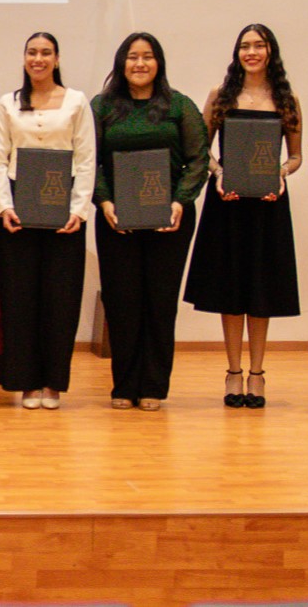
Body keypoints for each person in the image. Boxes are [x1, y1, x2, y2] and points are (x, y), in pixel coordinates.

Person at [183, 23, 303, 410]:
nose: (251, 52)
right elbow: (203, 151)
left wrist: (281, 174)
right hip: (228, 201)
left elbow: (297, 156)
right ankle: (233, 371)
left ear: (271, 52)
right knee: (231, 291)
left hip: (269, 202)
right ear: (237, 53)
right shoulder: (221, 96)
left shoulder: (287, 99)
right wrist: (218, 174)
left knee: (261, 291)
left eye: (259, 45)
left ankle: (257, 373)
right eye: (245, 46)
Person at [92, 32, 209, 411]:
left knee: (159, 302)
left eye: (147, 56)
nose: (139, 64)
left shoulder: (180, 106)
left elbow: (198, 159)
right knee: (122, 301)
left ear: (159, 63)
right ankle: (124, 385)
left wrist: (179, 201)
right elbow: (86, 160)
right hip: (115, 220)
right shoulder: (101, 106)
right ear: (121, 63)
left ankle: (154, 386)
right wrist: (105, 200)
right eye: (132, 57)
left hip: (169, 221)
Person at [0, 32, 94, 411]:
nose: (38, 59)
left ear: (57, 58)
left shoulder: (77, 101)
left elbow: (85, 159)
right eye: (32, 52)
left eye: (46, 52)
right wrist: (5, 206)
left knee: (60, 300)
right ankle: (26, 382)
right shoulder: (8, 103)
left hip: (63, 209)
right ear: (24, 57)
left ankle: (53, 383)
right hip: (19, 209)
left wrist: (78, 210)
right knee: (20, 299)